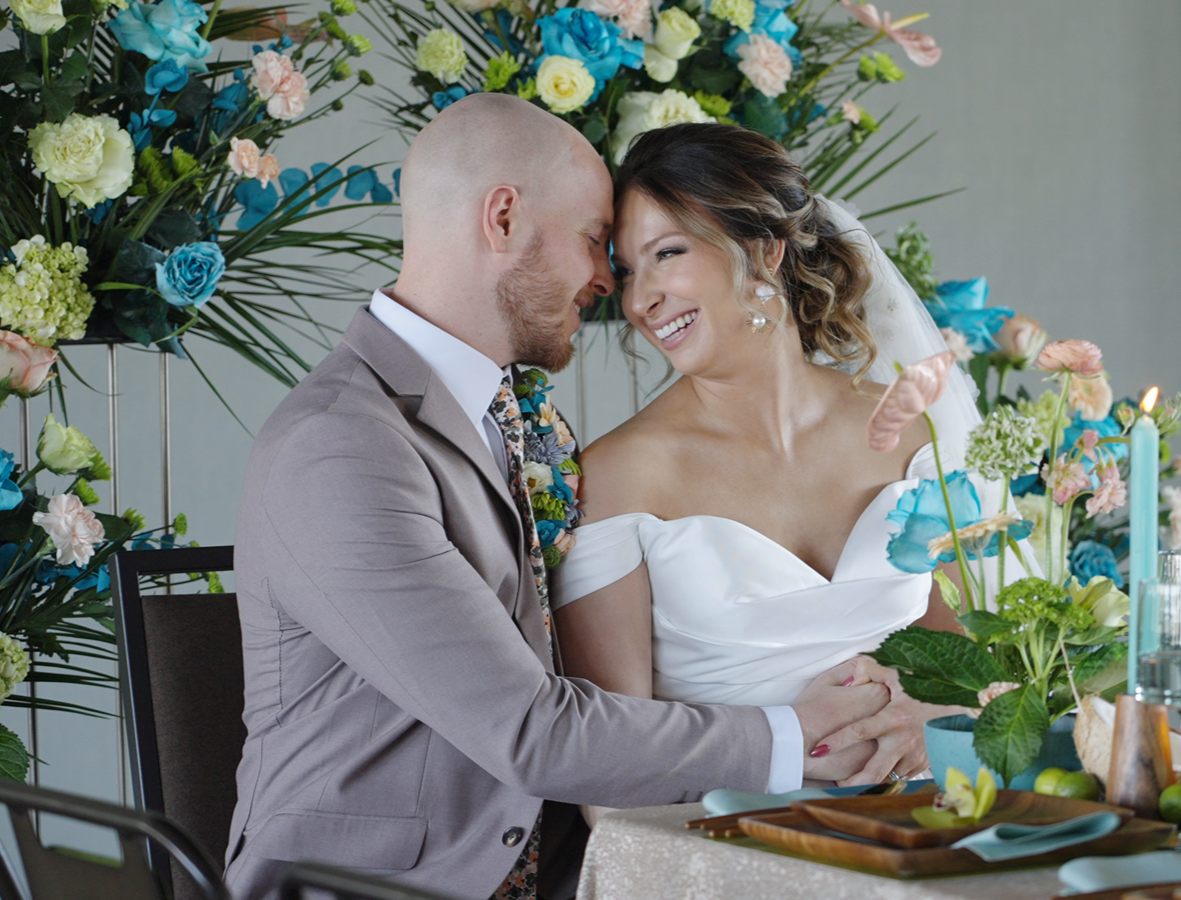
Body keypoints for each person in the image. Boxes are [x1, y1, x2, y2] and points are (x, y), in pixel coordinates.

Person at [224, 95, 896, 900]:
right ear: (503, 217)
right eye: (593, 242)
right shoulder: (340, 446)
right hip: (384, 884)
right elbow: (529, 729)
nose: (610, 285)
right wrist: (795, 734)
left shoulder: (515, 414)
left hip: (569, 866)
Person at [553, 123, 983, 793]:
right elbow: (607, 764)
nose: (640, 301)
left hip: (923, 826)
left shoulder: (904, 430)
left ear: (764, 250)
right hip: (723, 846)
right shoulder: (619, 475)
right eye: (629, 271)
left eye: (666, 253)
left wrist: (934, 708)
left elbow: (969, 666)